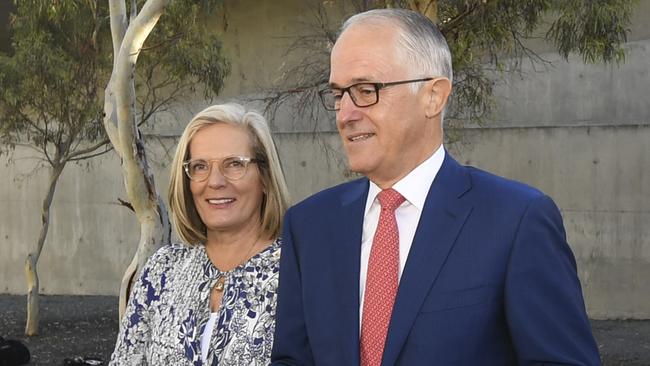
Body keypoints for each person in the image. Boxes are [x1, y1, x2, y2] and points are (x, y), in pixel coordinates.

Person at [271, 9, 600, 366]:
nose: (345, 114)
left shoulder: (516, 221)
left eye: (365, 91)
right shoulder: (309, 225)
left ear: (433, 96)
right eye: (338, 94)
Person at [110, 103, 290, 365]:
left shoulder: (297, 274)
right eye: (200, 167)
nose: (215, 181)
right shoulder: (163, 270)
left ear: (264, 176)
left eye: (234, 164)